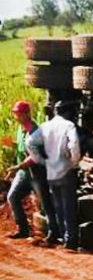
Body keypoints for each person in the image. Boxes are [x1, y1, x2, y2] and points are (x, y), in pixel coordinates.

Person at [27, 100, 81, 250]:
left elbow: (30, 142)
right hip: (66, 172)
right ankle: (70, 240)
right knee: (69, 206)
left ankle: (63, 237)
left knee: (58, 207)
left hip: (51, 173)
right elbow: (74, 145)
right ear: (68, 112)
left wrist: (41, 161)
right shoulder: (69, 126)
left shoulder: (45, 126)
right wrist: (74, 162)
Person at [4, 100, 60, 242]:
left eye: (19, 114)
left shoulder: (35, 131)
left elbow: (34, 157)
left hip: (37, 172)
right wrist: (11, 144)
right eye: (16, 114)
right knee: (13, 196)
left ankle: (54, 233)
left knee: (45, 203)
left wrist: (17, 167)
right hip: (24, 172)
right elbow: (23, 148)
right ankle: (22, 229)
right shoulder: (21, 130)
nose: (17, 117)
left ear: (27, 114)